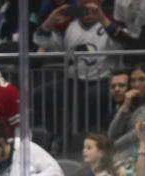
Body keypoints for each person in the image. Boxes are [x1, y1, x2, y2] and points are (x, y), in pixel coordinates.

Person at [33, 0, 136, 132]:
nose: (88, 7)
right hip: (74, 81)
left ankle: (84, 135)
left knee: (89, 96)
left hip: (104, 80)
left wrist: (102, 19)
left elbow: (127, 41)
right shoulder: (67, 25)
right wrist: (50, 21)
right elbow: (44, 42)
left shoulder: (111, 22)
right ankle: (57, 134)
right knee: (40, 94)